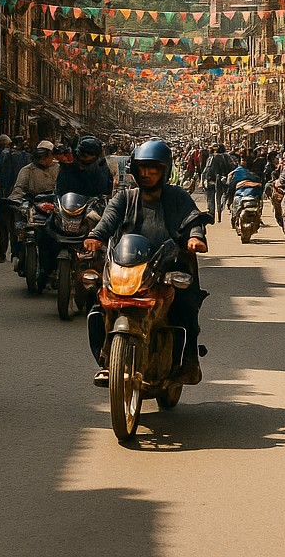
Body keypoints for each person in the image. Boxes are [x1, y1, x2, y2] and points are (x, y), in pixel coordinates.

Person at [84, 138, 209, 385]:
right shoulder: (125, 198)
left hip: (169, 265)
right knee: (97, 303)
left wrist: (195, 238)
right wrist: (95, 237)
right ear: (135, 169)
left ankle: (188, 360)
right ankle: (105, 359)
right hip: (129, 266)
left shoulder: (178, 197)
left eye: (154, 168)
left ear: (164, 170)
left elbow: (193, 219)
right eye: (143, 168)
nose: (148, 173)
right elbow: (108, 220)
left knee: (186, 305)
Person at [0, 135, 29, 262]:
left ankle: (2, 254)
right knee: (14, 224)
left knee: (2, 226)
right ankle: (15, 253)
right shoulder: (26, 157)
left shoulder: (3, 155)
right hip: (18, 195)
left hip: (4, 194)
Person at [203, 143, 234, 217]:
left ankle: (212, 211)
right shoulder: (225, 156)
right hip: (217, 179)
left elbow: (206, 169)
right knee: (222, 193)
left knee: (215, 194)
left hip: (218, 179)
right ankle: (214, 209)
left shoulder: (212, 157)